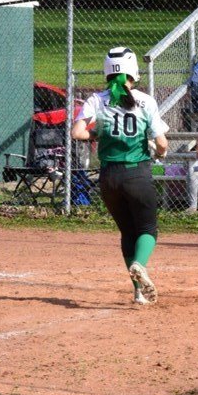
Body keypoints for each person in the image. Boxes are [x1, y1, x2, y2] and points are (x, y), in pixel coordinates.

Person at [73, 47, 168, 306]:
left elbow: (77, 133)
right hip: (136, 174)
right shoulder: (145, 101)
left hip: (108, 177)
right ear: (133, 72)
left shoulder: (97, 99)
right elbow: (162, 143)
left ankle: (138, 292)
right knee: (147, 229)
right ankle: (140, 264)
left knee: (127, 232)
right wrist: (159, 152)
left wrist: (97, 134)